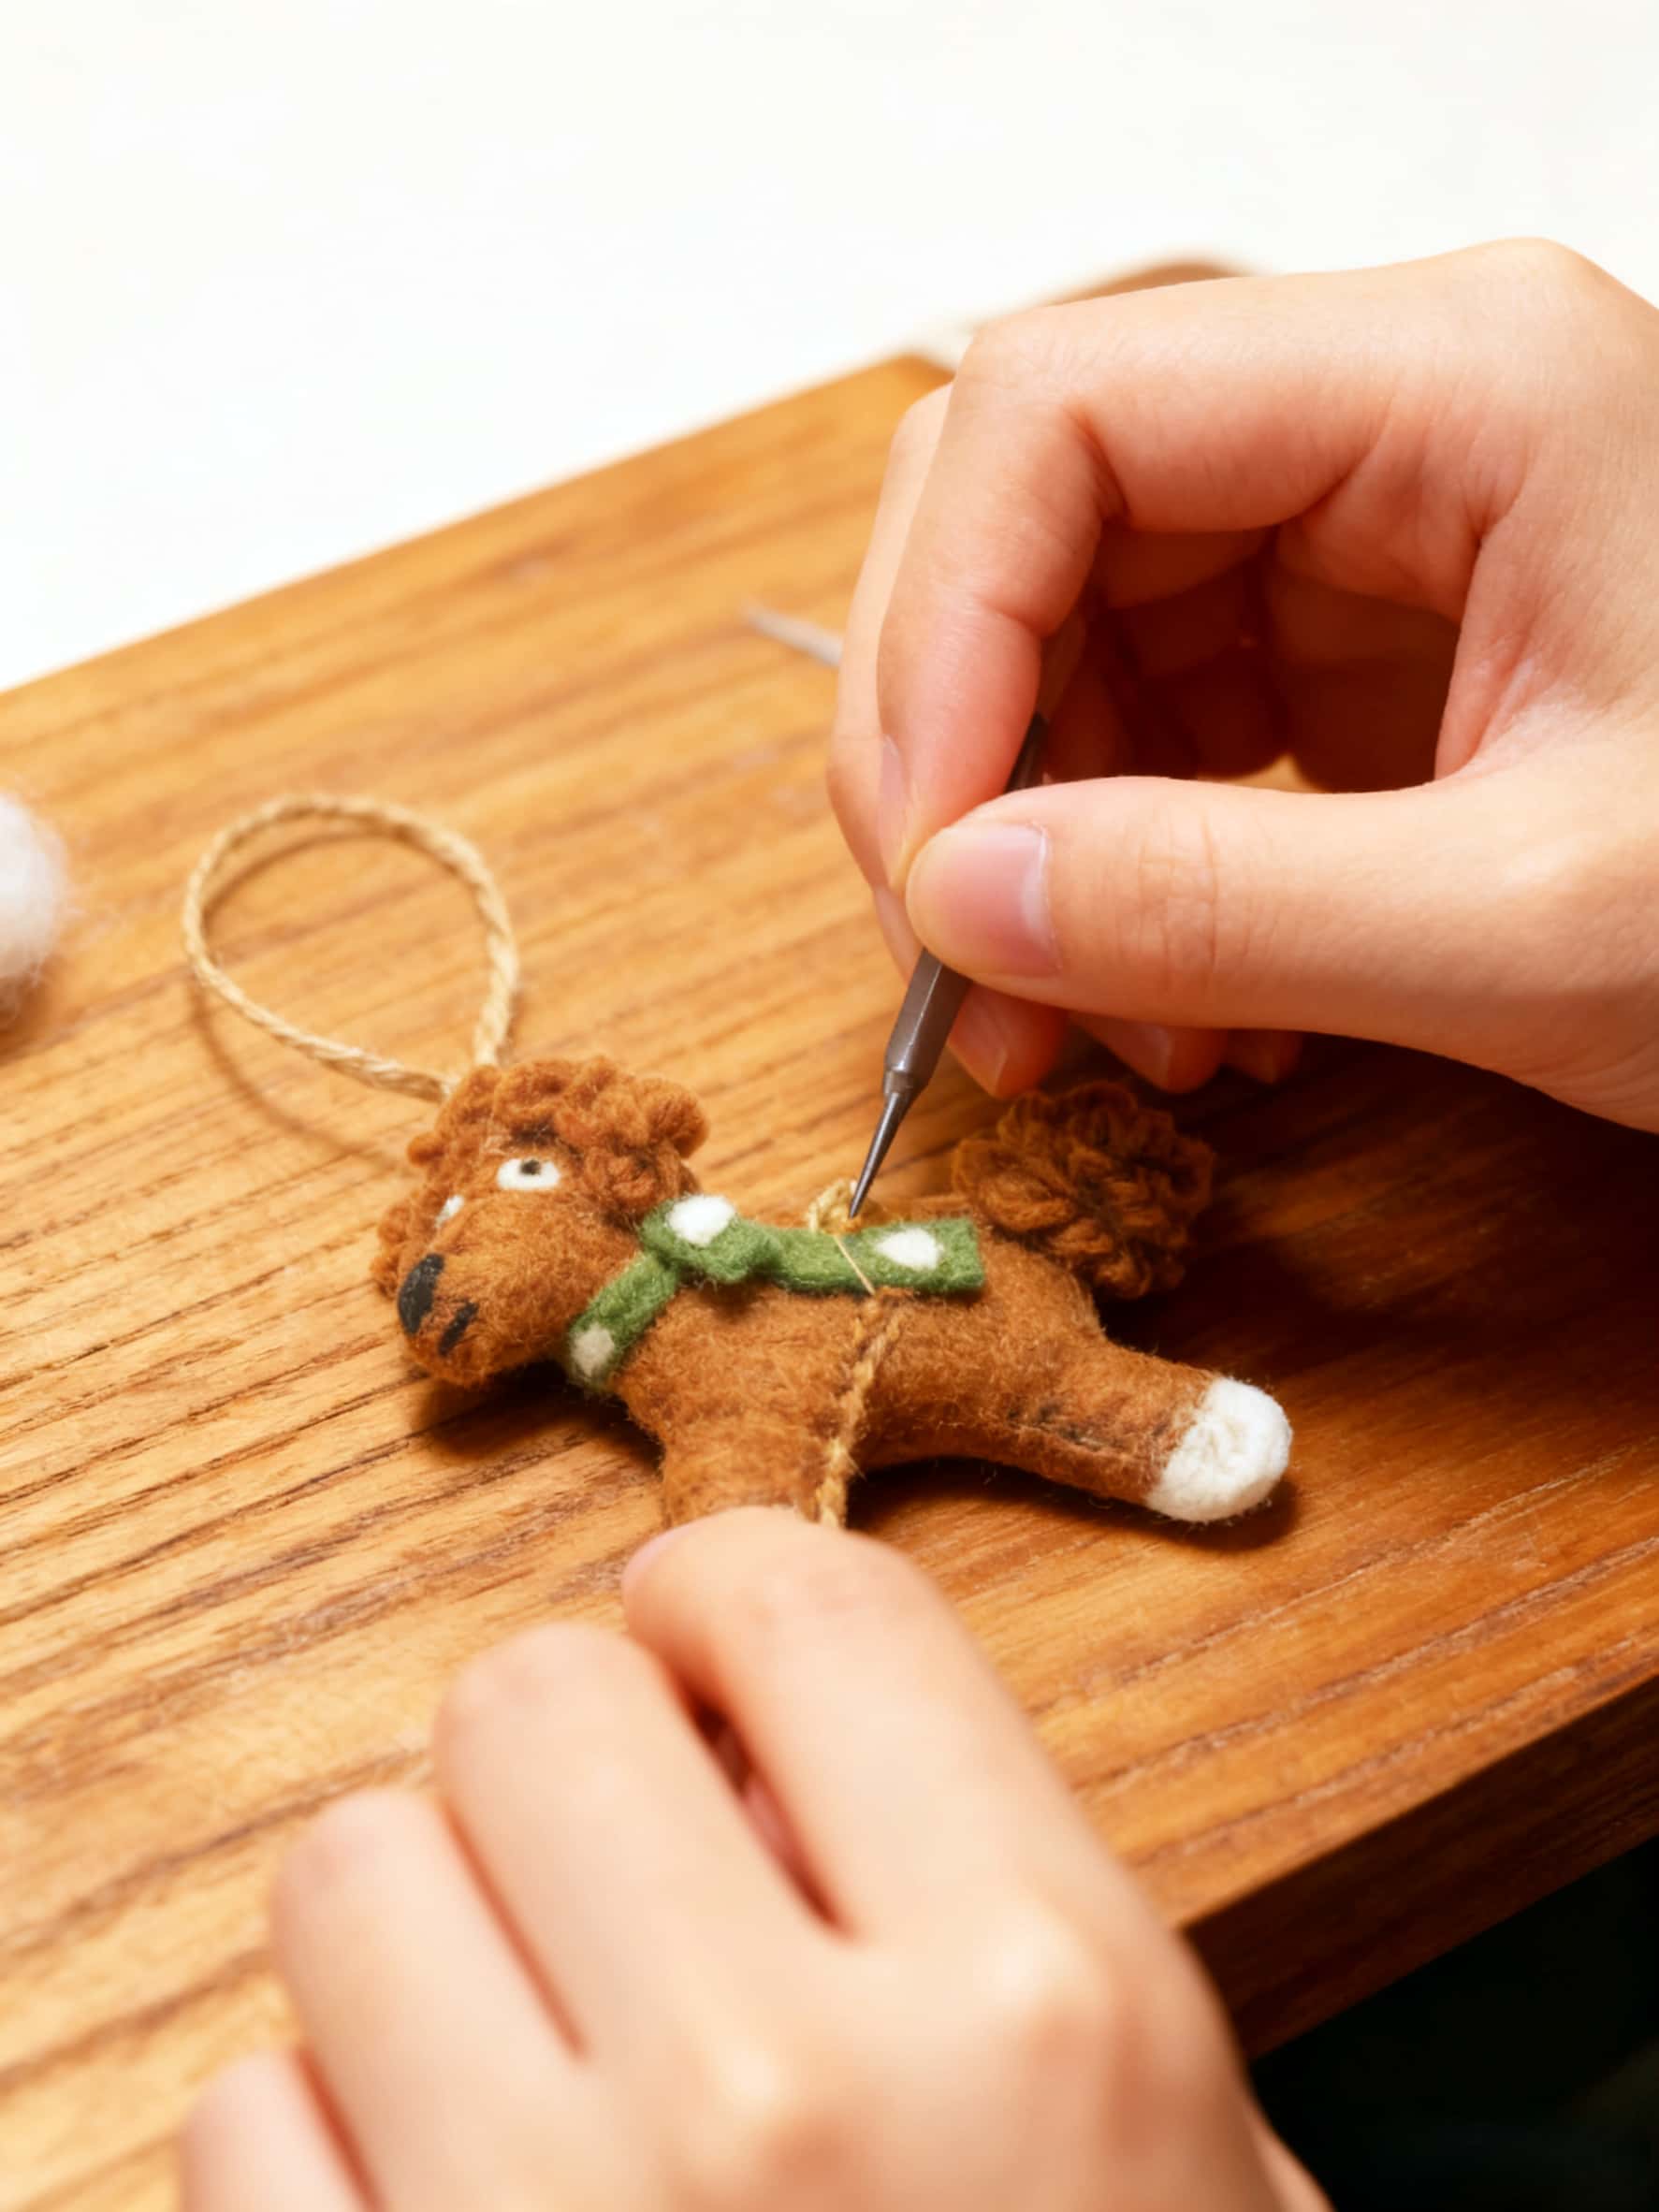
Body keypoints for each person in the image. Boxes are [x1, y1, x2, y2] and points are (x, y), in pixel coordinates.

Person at [182, 240, 1659, 2207]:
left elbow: (746, 1469)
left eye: (507, 1196)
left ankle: (1153, 1422)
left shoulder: (702, 1330)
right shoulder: (658, 1330)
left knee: (1046, 1382)